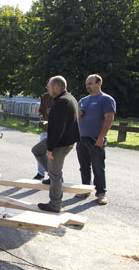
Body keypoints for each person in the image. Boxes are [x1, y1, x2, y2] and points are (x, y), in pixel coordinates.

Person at [32, 76, 80, 213]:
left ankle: (55, 204)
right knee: (36, 150)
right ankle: (53, 178)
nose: (48, 89)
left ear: (57, 87)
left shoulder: (62, 102)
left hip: (60, 143)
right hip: (62, 139)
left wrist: (50, 148)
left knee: (55, 172)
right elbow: (62, 121)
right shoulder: (69, 98)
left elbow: (60, 128)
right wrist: (50, 123)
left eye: (49, 87)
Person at [76, 74, 116, 205]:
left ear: (99, 83)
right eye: (86, 84)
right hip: (82, 138)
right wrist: (78, 115)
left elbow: (109, 118)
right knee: (83, 167)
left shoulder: (105, 99)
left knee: (98, 167)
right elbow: (76, 118)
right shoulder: (83, 100)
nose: (87, 86)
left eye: (90, 83)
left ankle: (101, 193)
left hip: (95, 138)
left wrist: (101, 137)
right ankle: (85, 189)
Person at [33, 91, 54, 181]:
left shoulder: (62, 98)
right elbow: (41, 111)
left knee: (52, 154)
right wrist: (41, 120)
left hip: (56, 131)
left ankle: (53, 176)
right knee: (40, 151)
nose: (48, 89)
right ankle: (41, 173)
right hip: (46, 129)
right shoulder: (45, 96)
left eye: (49, 86)